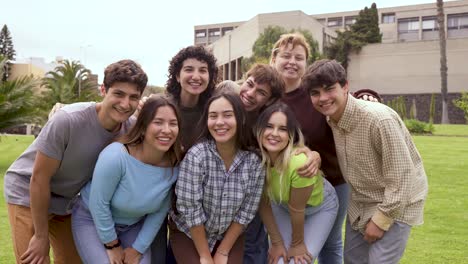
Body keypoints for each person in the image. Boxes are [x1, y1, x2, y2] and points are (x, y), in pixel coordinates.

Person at [4, 59, 148, 264]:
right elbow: (39, 178)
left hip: (66, 201)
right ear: (103, 90)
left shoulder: (131, 128)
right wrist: (40, 236)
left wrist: (147, 115)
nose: (125, 104)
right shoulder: (68, 120)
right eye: (118, 94)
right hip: (28, 192)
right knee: (36, 259)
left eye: (133, 97)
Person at [303, 59, 428, 264]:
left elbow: (403, 179)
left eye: (329, 89)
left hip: (397, 204)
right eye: (315, 93)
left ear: (345, 86)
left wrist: (381, 221)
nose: (322, 98)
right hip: (359, 204)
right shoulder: (331, 120)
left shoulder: (379, 120)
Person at [268, 32, 348, 264]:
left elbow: (347, 99)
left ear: (306, 64)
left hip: (332, 179)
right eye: (286, 55)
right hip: (281, 184)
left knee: (330, 243)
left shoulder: (315, 93)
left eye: (299, 57)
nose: (292, 62)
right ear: (274, 59)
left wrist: (369, 96)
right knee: (281, 245)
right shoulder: (267, 96)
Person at [71, 95, 182, 264]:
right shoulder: (116, 156)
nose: (166, 130)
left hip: (132, 226)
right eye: (158, 122)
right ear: (143, 126)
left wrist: (138, 249)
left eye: (173, 124)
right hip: (91, 219)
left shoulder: (175, 165)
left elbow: (159, 212)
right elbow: (98, 204)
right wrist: (112, 245)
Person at [169, 92, 265, 264]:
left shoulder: (253, 162)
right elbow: (190, 209)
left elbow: (247, 211)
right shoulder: (197, 156)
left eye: (227, 115)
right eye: (213, 116)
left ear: (241, 118)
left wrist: (223, 251)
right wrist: (205, 255)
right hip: (189, 233)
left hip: (229, 235)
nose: (219, 122)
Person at [255, 103, 338, 264]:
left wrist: (297, 244)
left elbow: (297, 210)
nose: (274, 134)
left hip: (319, 208)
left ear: (291, 135)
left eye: (283, 129)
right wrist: (277, 243)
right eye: (269, 126)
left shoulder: (299, 163)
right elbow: (263, 204)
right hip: (282, 205)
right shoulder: (255, 161)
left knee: (298, 262)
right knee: (278, 260)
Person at [165, 45, 219, 150]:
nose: (196, 77)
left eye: (202, 70)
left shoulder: (213, 110)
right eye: (189, 70)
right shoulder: (163, 107)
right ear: (177, 76)